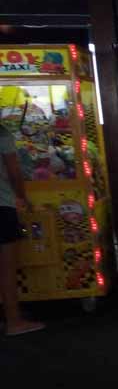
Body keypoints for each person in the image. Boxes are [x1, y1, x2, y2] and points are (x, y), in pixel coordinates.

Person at [0, 124, 44, 336]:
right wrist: (23, 197)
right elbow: (14, 172)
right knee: (6, 268)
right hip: (2, 206)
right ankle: (13, 321)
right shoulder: (2, 134)